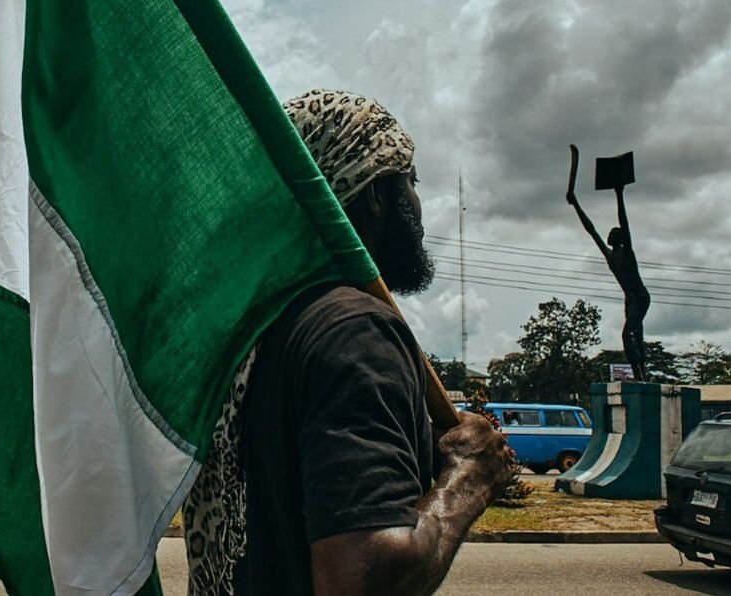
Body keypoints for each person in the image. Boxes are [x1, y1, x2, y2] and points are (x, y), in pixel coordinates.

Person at [184, 89, 512, 596]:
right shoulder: (355, 332)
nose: (419, 206)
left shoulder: (249, 332)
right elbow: (360, 578)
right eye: (412, 181)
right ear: (377, 190)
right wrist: (470, 478)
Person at [566, 145, 651, 381]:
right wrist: (576, 205)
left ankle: (639, 373)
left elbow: (622, 219)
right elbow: (590, 229)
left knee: (628, 334)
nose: (609, 235)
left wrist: (619, 194)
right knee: (637, 335)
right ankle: (642, 371)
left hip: (640, 296)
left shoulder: (628, 252)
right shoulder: (610, 255)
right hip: (629, 298)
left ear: (620, 238)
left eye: (614, 233)